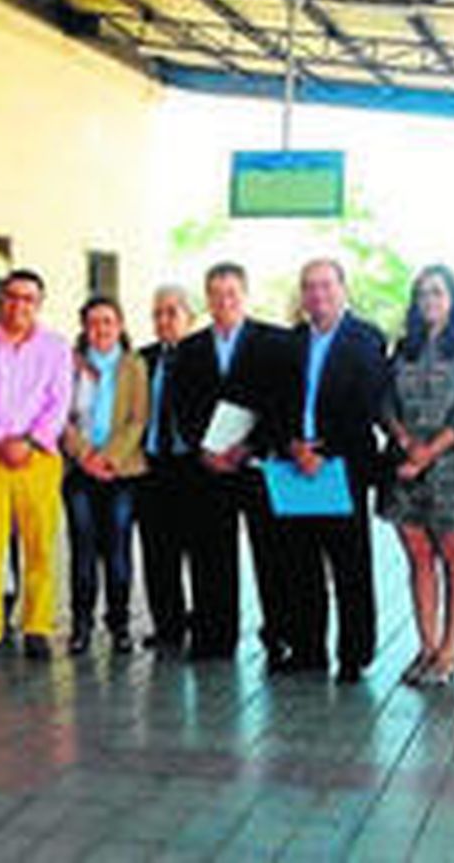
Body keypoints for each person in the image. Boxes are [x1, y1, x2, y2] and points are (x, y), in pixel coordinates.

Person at [272, 260, 391, 684]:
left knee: (349, 565)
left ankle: (353, 654)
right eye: (309, 287)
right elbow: (277, 402)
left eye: (325, 285)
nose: (317, 294)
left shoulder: (366, 339)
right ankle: (308, 650)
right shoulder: (291, 342)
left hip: (340, 465)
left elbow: (368, 405)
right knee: (300, 566)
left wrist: (325, 450)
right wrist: (292, 444)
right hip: (294, 465)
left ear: (343, 289)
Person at [171, 262, 292, 662]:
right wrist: (203, 450)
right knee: (210, 554)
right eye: (217, 294)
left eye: (232, 294)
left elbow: (281, 403)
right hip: (208, 469)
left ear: (245, 295)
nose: (224, 301)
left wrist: (249, 446)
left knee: (272, 555)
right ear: (206, 299)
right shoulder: (189, 349)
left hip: (256, 465)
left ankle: (278, 635)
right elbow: (181, 407)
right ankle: (214, 637)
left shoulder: (275, 342)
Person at [378, 265, 454, 688]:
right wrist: (404, 440)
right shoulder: (403, 347)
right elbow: (385, 401)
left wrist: (428, 452)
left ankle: (449, 649)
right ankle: (425, 646)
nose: (429, 301)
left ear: (453, 298)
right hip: (405, 462)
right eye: (422, 294)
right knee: (418, 555)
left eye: (438, 293)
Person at [0, 268, 72, 659]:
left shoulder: (56, 348)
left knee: (40, 546)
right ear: (1, 300)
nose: (19, 305)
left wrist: (30, 440)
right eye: (12, 296)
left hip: (38, 457)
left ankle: (37, 626)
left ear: (39, 303)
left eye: (28, 298)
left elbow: (59, 401)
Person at [60, 297, 149, 656]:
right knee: (82, 548)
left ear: (121, 325)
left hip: (122, 470)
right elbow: (58, 416)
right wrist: (85, 456)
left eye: (108, 322)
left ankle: (120, 624)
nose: (101, 329)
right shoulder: (69, 365)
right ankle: (81, 625)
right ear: (84, 327)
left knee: (117, 549)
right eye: (94, 323)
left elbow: (138, 419)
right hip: (79, 469)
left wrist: (109, 458)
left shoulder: (134, 366)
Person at [136, 285, 196, 654]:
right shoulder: (141, 360)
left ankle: (203, 621)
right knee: (158, 551)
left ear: (189, 317)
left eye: (172, 312)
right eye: (158, 313)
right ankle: (168, 625)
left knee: (197, 549)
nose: (164, 320)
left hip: (191, 465)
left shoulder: (201, 355)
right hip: (152, 464)